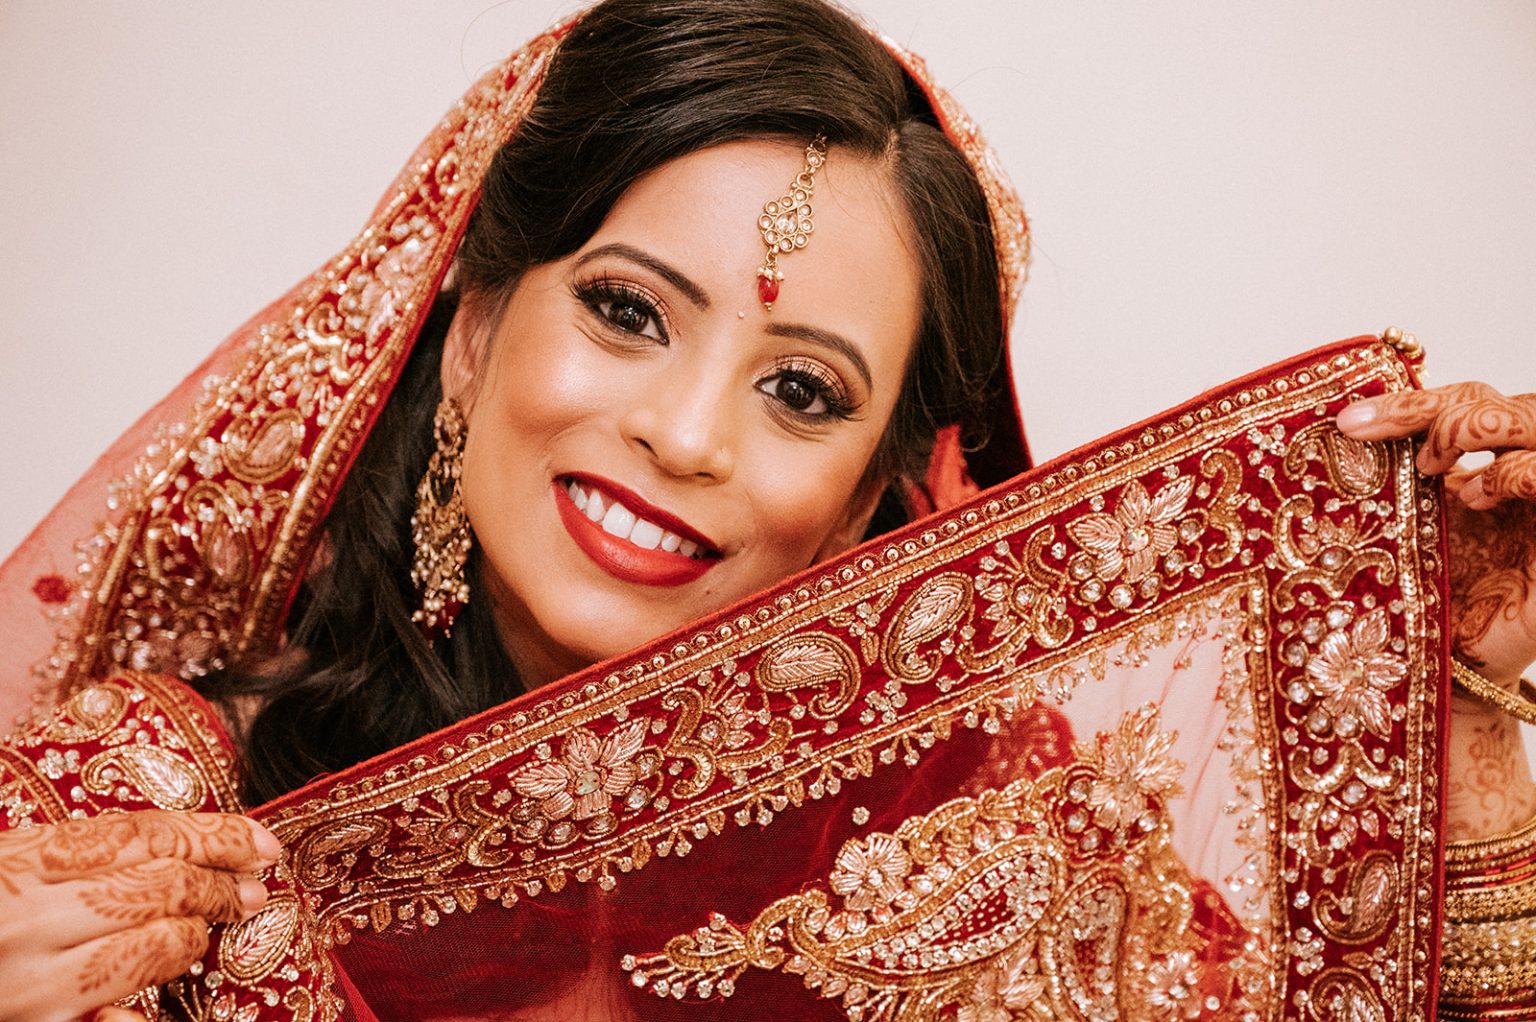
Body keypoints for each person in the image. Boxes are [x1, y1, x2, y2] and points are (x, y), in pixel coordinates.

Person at [0, 1, 1533, 1019]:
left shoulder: (1006, 860)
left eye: (800, 389)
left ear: (881, 491)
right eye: (624, 310)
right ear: (471, 333)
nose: (682, 431)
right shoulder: (149, 822)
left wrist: (1456, 706)